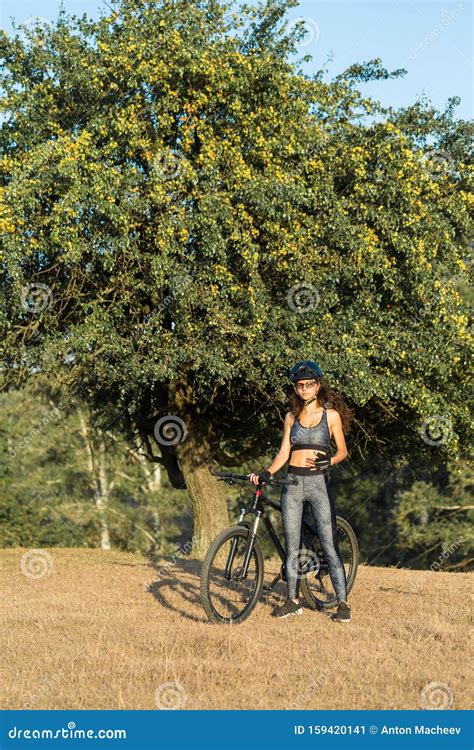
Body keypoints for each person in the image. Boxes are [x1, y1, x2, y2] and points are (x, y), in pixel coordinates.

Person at [249, 360, 352, 622]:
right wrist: (267, 473)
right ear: (295, 389)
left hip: (318, 484)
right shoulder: (291, 418)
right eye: (300, 385)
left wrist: (330, 460)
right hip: (292, 484)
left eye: (309, 384)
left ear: (318, 386)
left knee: (329, 544)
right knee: (292, 544)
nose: (305, 388)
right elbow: (284, 451)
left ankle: (342, 603)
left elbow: (342, 450)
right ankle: (292, 601)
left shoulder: (331, 416)